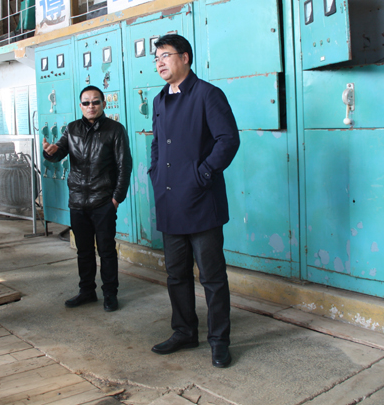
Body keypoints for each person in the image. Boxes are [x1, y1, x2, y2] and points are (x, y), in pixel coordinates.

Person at [148, 34, 240, 368]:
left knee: (212, 278)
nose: (159, 63)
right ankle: (185, 331)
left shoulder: (207, 94)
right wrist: (155, 172)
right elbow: (158, 143)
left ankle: (219, 341)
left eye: (166, 55)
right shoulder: (159, 100)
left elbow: (228, 140)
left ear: (185, 57)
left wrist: (203, 174)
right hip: (170, 201)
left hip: (201, 203)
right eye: (156, 58)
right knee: (176, 275)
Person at [43, 85, 132, 312]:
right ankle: (87, 291)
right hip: (77, 202)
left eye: (95, 102)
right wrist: (49, 152)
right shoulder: (72, 129)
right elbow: (58, 153)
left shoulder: (115, 130)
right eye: (86, 102)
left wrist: (116, 199)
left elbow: (124, 166)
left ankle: (110, 294)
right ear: (80, 105)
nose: (91, 106)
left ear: (103, 104)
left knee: (106, 251)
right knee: (83, 251)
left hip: (103, 201)